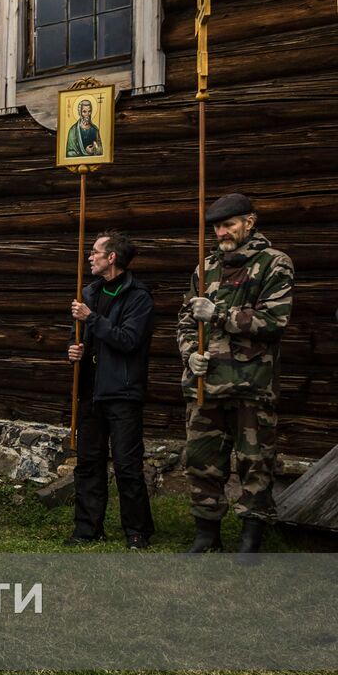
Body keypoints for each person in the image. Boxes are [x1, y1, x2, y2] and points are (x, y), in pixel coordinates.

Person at [178, 193, 293, 554]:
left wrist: (220, 316)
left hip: (251, 384)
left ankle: (250, 538)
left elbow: (274, 322)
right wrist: (189, 354)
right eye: (217, 227)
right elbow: (184, 321)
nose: (222, 233)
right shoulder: (205, 267)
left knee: (254, 463)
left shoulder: (274, 264)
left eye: (229, 225)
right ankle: (207, 535)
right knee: (201, 460)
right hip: (206, 383)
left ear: (250, 222)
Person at [66, 230, 156, 549]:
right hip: (90, 391)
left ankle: (137, 531)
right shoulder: (89, 292)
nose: (90, 257)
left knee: (126, 464)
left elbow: (127, 340)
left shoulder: (137, 297)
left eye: (95, 252)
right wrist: (74, 349)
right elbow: (82, 336)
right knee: (88, 462)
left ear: (112, 257)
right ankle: (88, 528)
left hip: (122, 392)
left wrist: (91, 318)